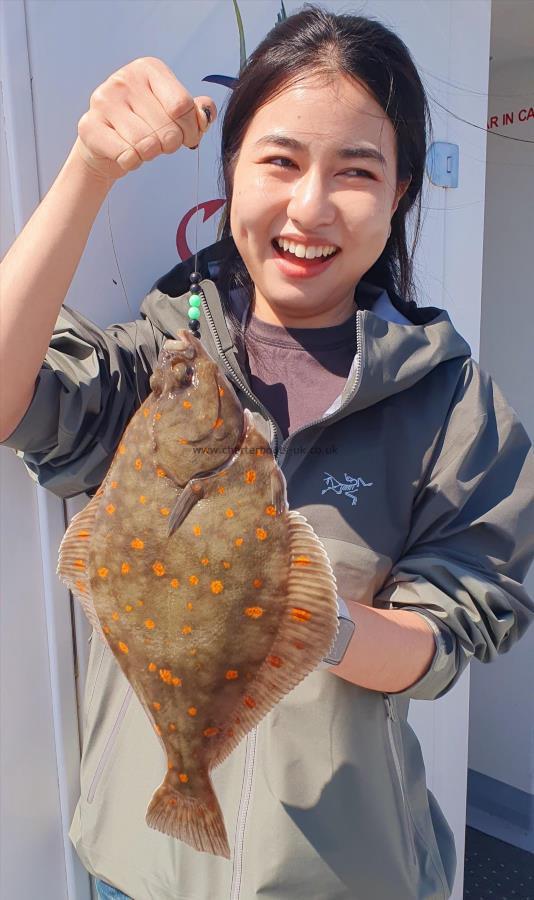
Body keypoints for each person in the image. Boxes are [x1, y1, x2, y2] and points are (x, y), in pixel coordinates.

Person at [1, 7, 533, 900]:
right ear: (233, 168)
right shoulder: (165, 356)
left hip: (343, 873)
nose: (311, 207)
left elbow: (454, 631)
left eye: (357, 171)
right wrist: (91, 169)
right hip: (136, 869)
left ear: (400, 191)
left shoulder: (452, 402)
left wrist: (312, 628)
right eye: (280, 160)